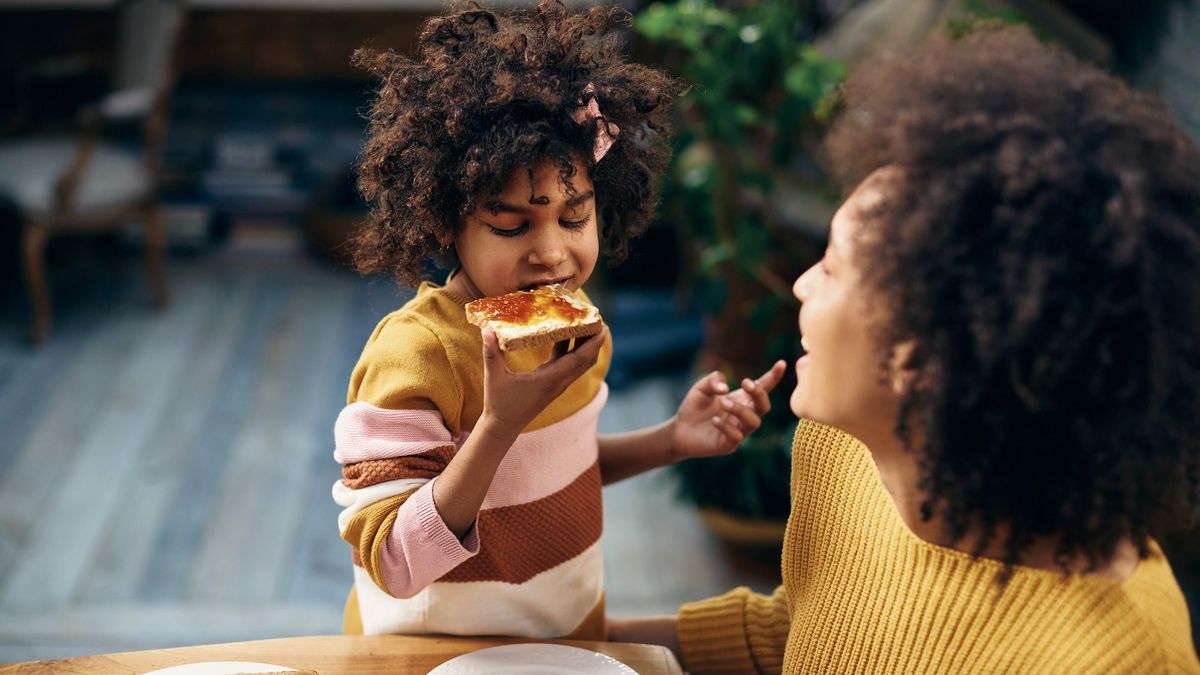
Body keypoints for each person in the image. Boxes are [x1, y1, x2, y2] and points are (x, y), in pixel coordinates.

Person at [608, 25, 1200, 673]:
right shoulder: (845, 446)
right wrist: (573, 640)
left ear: (919, 356)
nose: (801, 283)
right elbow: (803, 634)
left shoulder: (1115, 660)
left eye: (832, 268)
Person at [332, 0, 787, 639]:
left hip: (562, 636)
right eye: (512, 224)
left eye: (574, 217)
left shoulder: (577, 329)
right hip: (437, 657)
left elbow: (554, 470)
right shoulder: (418, 352)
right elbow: (393, 560)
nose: (552, 253)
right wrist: (498, 424)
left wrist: (671, 440)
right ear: (443, 222)